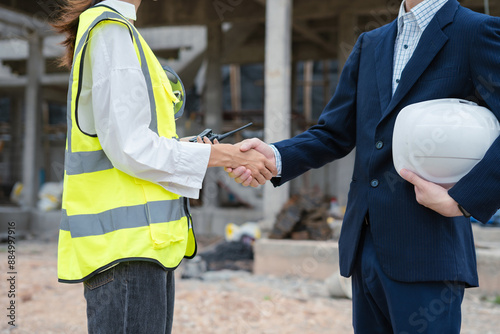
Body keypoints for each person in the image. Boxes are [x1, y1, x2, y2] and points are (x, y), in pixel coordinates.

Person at [228, 0, 500, 332]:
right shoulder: (371, 43)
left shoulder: (476, 32)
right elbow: (333, 133)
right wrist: (275, 156)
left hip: (429, 247)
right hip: (364, 247)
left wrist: (463, 201)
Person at [51, 0, 275, 333]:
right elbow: (131, 148)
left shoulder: (116, 30)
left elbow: (127, 143)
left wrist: (191, 149)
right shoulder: (111, 31)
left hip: (136, 250)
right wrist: (227, 156)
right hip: (128, 252)